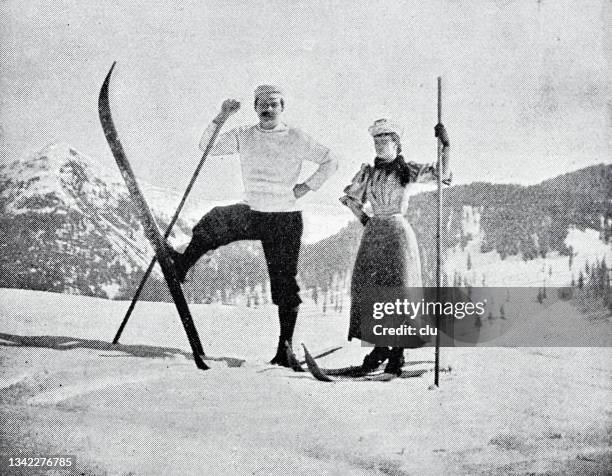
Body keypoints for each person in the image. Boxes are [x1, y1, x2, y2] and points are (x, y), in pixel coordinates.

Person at [168, 85, 338, 369]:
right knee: (215, 221)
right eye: (262, 104)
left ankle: (285, 349)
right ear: (255, 107)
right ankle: (183, 266)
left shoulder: (296, 137)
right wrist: (221, 116)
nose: (268, 109)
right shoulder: (244, 135)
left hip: (285, 217)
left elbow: (330, 160)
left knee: (284, 284)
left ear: (282, 107)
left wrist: (307, 187)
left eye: (274, 104)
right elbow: (206, 147)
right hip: (254, 212)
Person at [339, 118, 451, 376]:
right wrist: (366, 220)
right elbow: (352, 200)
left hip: (398, 234)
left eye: (385, 140)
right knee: (370, 289)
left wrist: (446, 145)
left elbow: (441, 174)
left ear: (396, 143)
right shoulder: (368, 173)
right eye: (376, 140)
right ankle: (380, 348)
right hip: (374, 234)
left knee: (400, 291)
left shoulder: (407, 170)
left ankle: (397, 353)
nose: (379, 145)